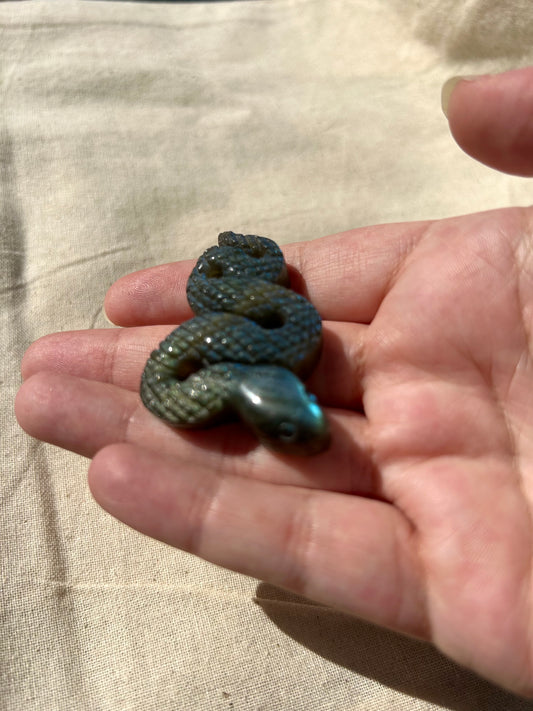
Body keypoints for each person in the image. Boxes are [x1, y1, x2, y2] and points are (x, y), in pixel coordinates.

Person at [15, 68, 533, 698]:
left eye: (298, 412)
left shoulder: (273, 339)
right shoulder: (204, 371)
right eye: (290, 421)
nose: (304, 423)